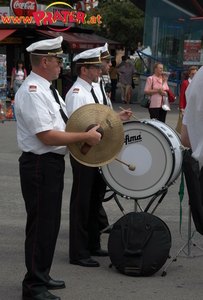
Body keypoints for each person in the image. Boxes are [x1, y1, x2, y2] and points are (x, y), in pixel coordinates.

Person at [15, 36, 102, 300]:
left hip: (51, 164)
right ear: (44, 62)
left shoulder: (48, 89)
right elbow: (47, 136)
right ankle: (33, 286)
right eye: (57, 59)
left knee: (50, 225)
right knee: (41, 225)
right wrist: (84, 138)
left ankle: (42, 273)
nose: (60, 64)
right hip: (39, 163)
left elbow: (64, 125)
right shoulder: (33, 91)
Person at [65, 47, 131, 268]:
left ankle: (92, 243)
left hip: (98, 153)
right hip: (85, 154)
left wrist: (116, 118)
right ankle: (78, 251)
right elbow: (78, 129)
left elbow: (98, 119)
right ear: (84, 70)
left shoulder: (92, 89)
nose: (101, 69)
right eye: (96, 67)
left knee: (94, 201)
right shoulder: (77, 94)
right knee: (82, 203)